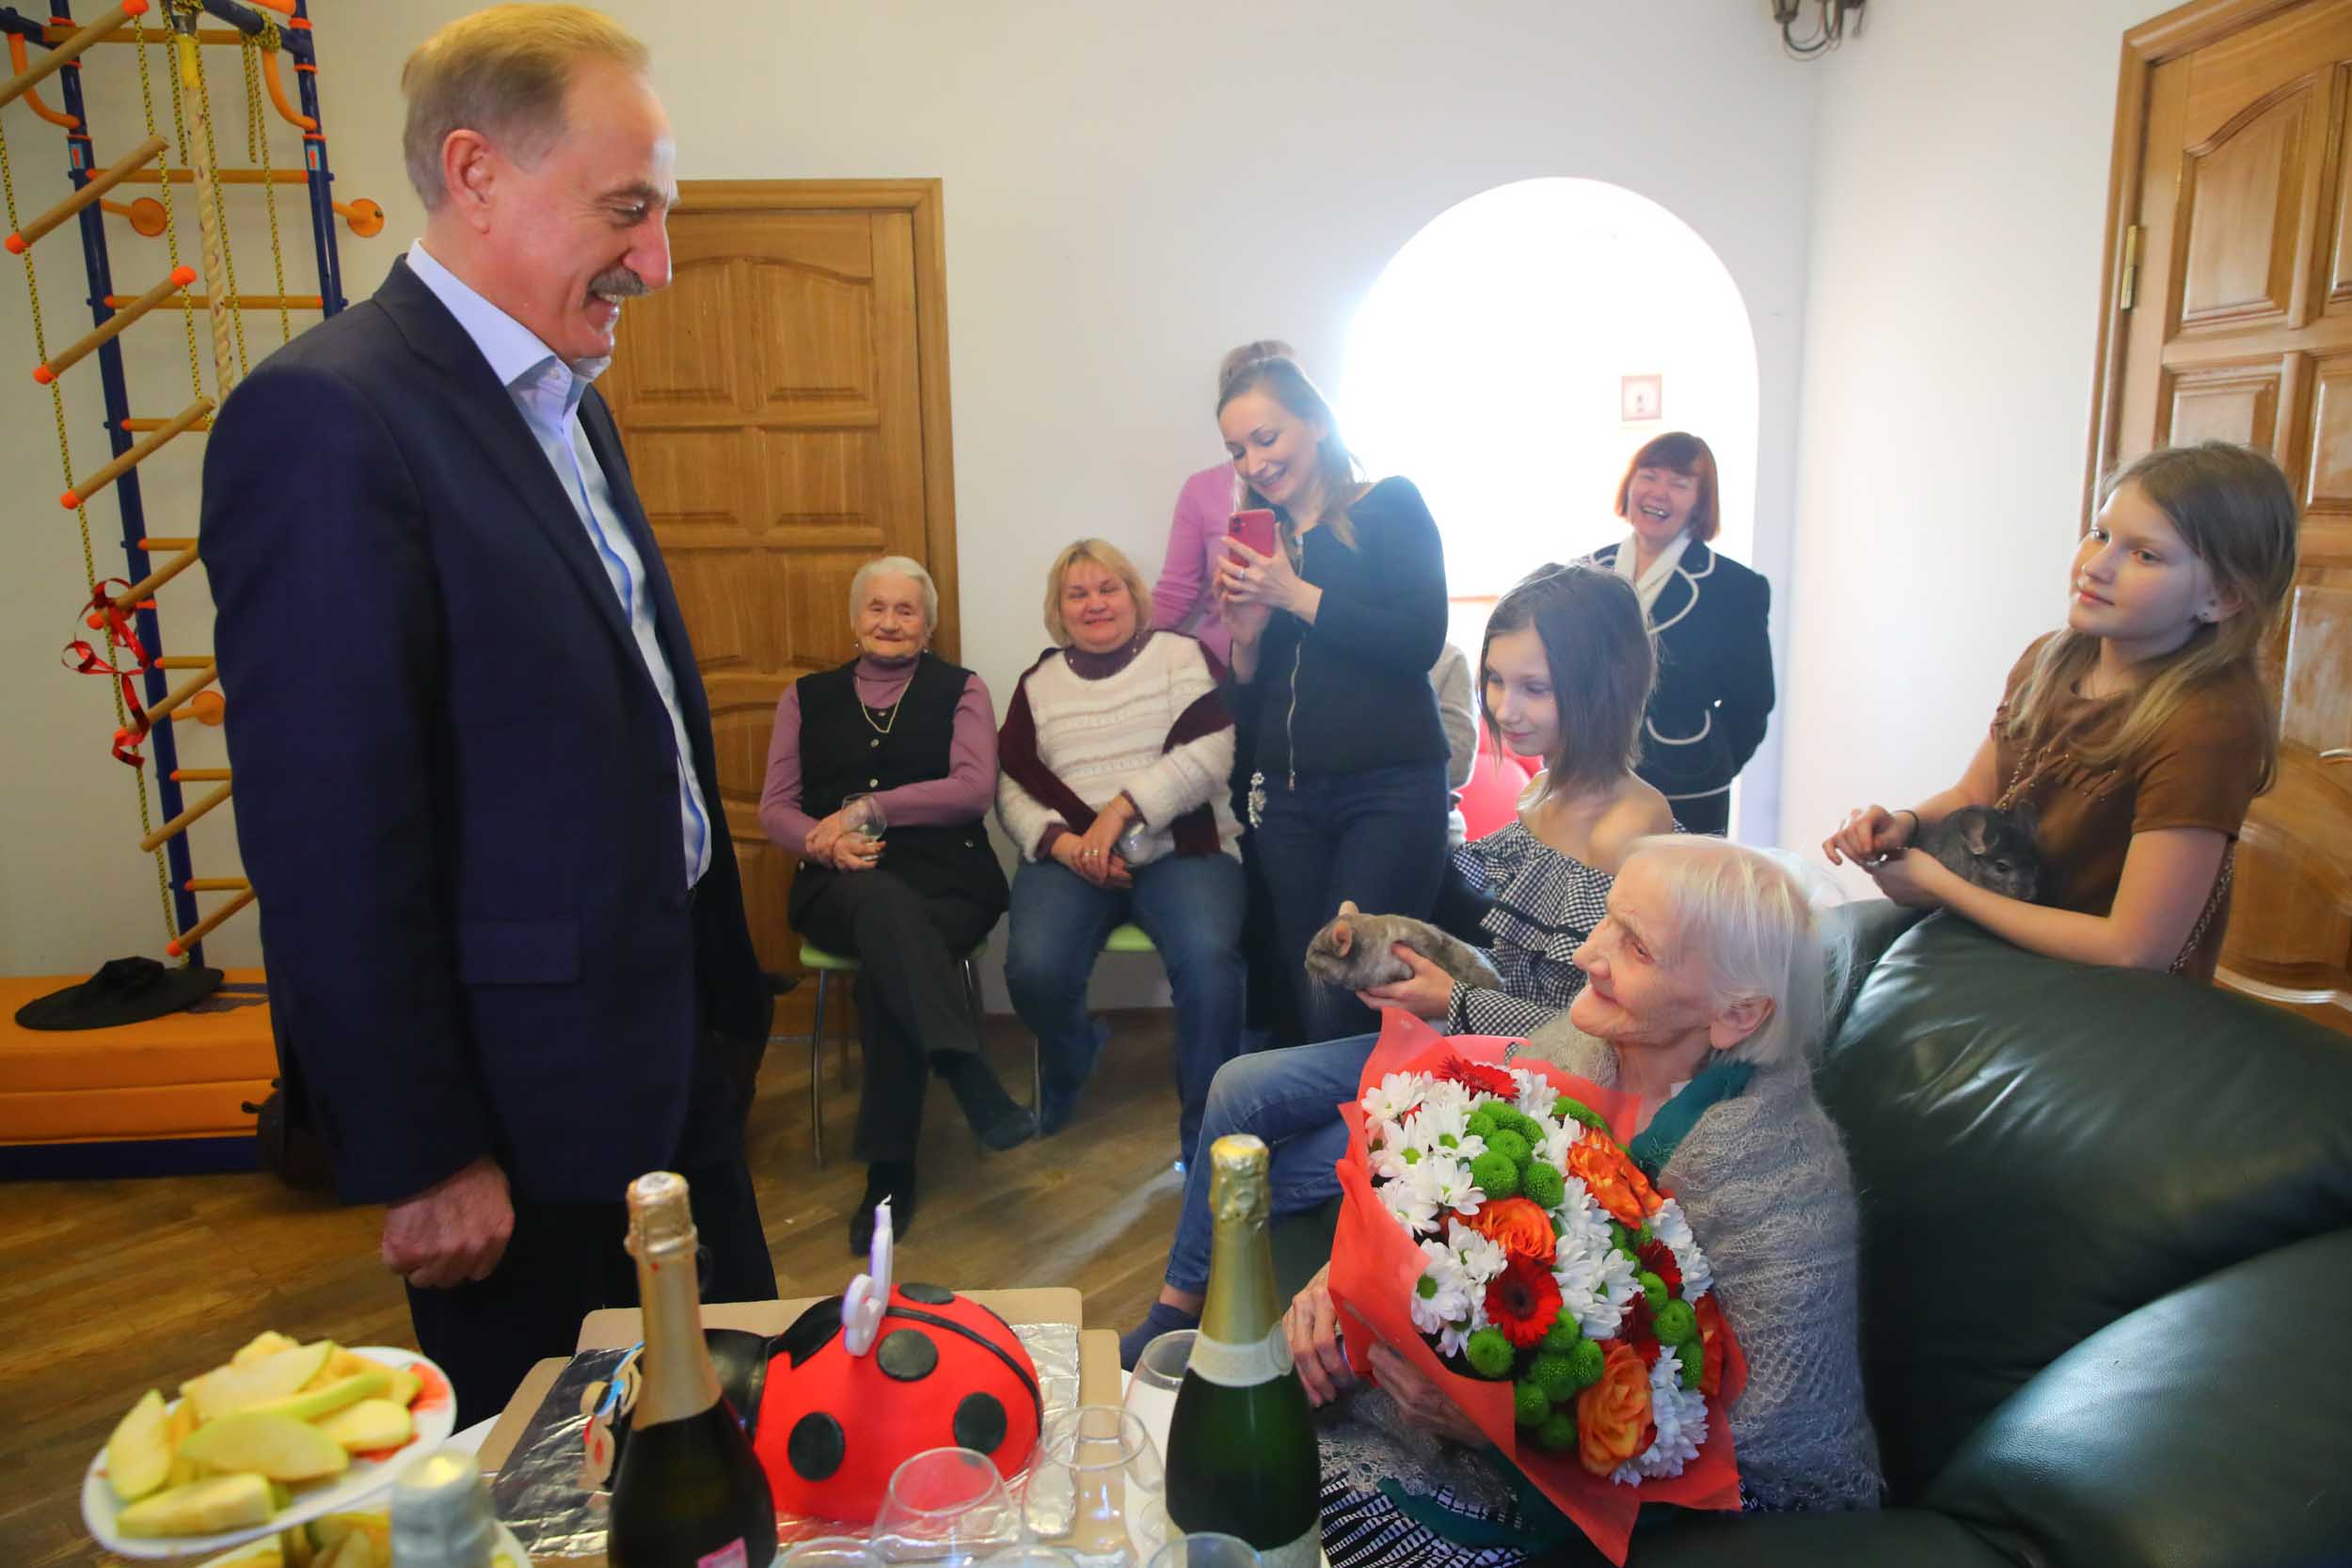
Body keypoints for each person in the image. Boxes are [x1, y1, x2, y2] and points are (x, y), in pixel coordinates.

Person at [200, 6, 775, 1425]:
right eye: (626, 210)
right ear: (475, 173)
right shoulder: (330, 418)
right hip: (522, 1119)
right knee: (562, 1481)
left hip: (664, 1057)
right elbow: (329, 829)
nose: (658, 261)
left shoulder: (567, 400)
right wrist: (425, 1149)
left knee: (727, 1431)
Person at [1122, 564, 1672, 1364]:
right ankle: (1179, 1307)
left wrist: (1452, 999)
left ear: (1602, 685)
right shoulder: (1541, 791)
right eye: (1495, 681)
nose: (1506, 709)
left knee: (1276, 1156)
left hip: (1534, 1090)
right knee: (1236, 1084)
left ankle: (1218, 1326)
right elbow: (1484, 940)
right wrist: (1380, 936)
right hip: (1468, 1046)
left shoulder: (1631, 830)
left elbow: (1592, 1035)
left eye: (1535, 689)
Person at [1292, 837, 1883, 1558]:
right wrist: (1336, 1282)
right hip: (1409, 1415)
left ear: (1737, 1014)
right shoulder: (1581, 1045)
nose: (1586, 954)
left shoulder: (1783, 1181)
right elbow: (1420, 1200)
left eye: (1636, 946)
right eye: (1607, 918)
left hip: (1598, 1510)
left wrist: (1501, 1427)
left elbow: (1776, 1467)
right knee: (1232, 1448)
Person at [1825, 441, 2297, 981]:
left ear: (2223, 598)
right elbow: (1975, 795)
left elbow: (2134, 950)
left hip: (2098, 996)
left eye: (2145, 555)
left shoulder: (2206, 727)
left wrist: (1938, 885)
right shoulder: (2049, 660)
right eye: (2100, 534)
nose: (2096, 566)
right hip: (2002, 949)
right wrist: (1903, 825)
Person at [760, 557, 1034, 1250]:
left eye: (906, 609)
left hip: (947, 879)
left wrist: (865, 810)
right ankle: (965, 1068)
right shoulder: (806, 697)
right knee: (883, 910)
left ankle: (888, 1175)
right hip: (840, 882)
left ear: (928, 624)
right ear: (855, 620)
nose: (889, 621)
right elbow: (776, 808)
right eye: (876, 607)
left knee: (892, 958)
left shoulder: (963, 689)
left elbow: (972, 790)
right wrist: (826, 845)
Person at [1214, 352, 1452, 1043]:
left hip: (1389, 791)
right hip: (1288, 804)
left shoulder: (1389, 504)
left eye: (1267, 438)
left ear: (1317, 422)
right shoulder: (1267, 542)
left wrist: (1295, 594)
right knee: (1310, 995)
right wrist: (1246, 641)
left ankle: (1394, 1113)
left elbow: (1419, 639)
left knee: (1355, 994)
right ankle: (1339, 1118)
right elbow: (1252, 700)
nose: (1255, 463)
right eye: (1237, 450)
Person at [997, 540, 1245, 1158]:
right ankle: (1073, 1055)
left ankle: (1206, 1138)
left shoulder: (1181, 656)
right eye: (1077, 594)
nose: (1095, 603)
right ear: (1058, 609)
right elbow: (1011, 783)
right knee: (1033, 969)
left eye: (1108, 588)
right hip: (1072, 859)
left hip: (1183, 847)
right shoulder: (1038, 684)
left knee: (1209, 964)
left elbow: (1212, 753)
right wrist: (1064, 845)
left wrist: (1120, 812)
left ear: (1134, 596)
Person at [1585, 432, 1773, 836]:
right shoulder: (1583, 573)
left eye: (1679, 483)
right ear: (1630, 484)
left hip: (1686, 788)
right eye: (1649, 475)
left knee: (1677, 881)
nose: (1659, 492)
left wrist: (1711, 765)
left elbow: (1753, 703)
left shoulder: (1735, 587)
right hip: (1588, 779)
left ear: (1701, 502)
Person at [1151, 339, 1297, 665]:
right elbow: (1176, 593)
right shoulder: (1201, 490)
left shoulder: (1338, 497)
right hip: (1226, 664)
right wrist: (1112, 637)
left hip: (1309, 667)